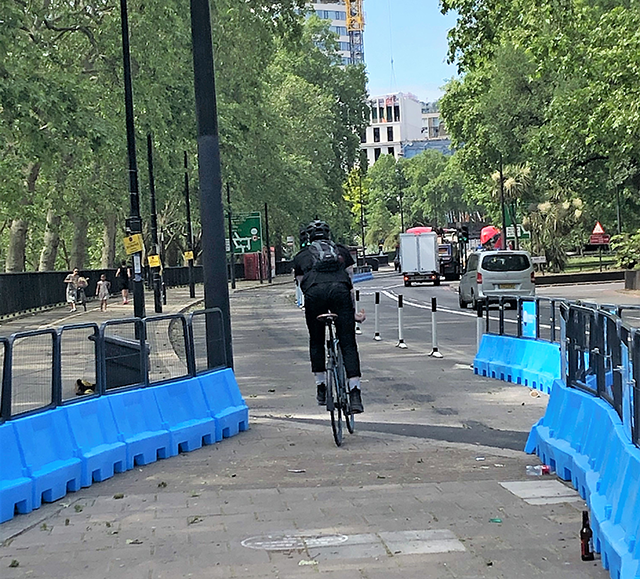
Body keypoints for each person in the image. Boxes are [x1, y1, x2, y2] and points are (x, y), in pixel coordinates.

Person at [293, 220, 366, 413]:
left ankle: (321, 387)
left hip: (314, 295)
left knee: (316, 341)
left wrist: (310, 307)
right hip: (339, 293)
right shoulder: (341, 251)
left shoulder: (301, 256)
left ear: (309, 237)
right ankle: (355, 393)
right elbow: (350, 285)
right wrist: (353, 314)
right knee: (348, 343)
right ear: (328, 235)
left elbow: (301, 286)